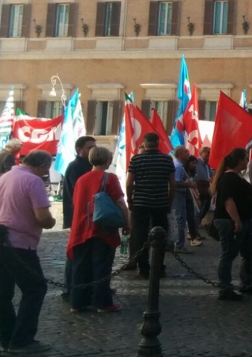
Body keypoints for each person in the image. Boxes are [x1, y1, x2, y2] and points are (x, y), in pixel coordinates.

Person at [0, 150, 56, 352]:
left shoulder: (6, 176)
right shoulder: (34, 181)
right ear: (43, 166)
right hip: (19, 243)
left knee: (2, 293)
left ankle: (8, 336)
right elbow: (43, 217)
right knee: (35, 288)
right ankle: (22, 339)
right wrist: (51, 221)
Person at [66, 146, 129, 313]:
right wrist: (127, 222)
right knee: (102, 266)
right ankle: (102, 302)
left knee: (80, 267)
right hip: (102, 228)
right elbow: (120, 202)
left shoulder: (81, 179)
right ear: (107, 160)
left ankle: (77, 302)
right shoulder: (109, 178)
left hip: (81, 227)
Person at [126, 133, 175, 278]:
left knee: (140, 235)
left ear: (144, 143)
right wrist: (169, 202)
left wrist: (130, 200)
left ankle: (143, 268)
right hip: (160, 202)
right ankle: (159, 267)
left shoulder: (136, 159)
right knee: (160, 235)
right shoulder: (167, 159)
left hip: (141, 203)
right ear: (158, 143)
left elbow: (129, 184)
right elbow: (172, 185)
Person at [213, 148, 252, 301]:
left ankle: (247, 282)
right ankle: (225, 288)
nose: (247, 161)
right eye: (246, 158)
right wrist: (236, 220)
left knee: (248, 252)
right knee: (228, 253)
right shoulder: (228, 178)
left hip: (245, 219)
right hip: (229, 220)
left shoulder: (236, 177)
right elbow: (228, 201)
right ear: (239, 160)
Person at [60, 135, 96, 301]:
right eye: (89, 147)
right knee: (76, 252)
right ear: (79, 150)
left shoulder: (88, 166)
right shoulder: (76, 167)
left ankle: (84, 287)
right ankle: (71, 288)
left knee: (84, 253)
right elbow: (80, 191)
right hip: (79, 215)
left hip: (86, 215)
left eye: (93, 147)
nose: (92, 150)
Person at [170, 146, 196, 252]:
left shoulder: (179, 165)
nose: (188, 154)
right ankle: (179, 244)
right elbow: (175, 183)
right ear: (180, 154)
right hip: (178, 194)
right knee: (179, 219)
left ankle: (178, 243)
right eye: (186, 152)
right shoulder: (178, 166)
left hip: (180, 195)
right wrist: (187, 184)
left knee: (180, 218)